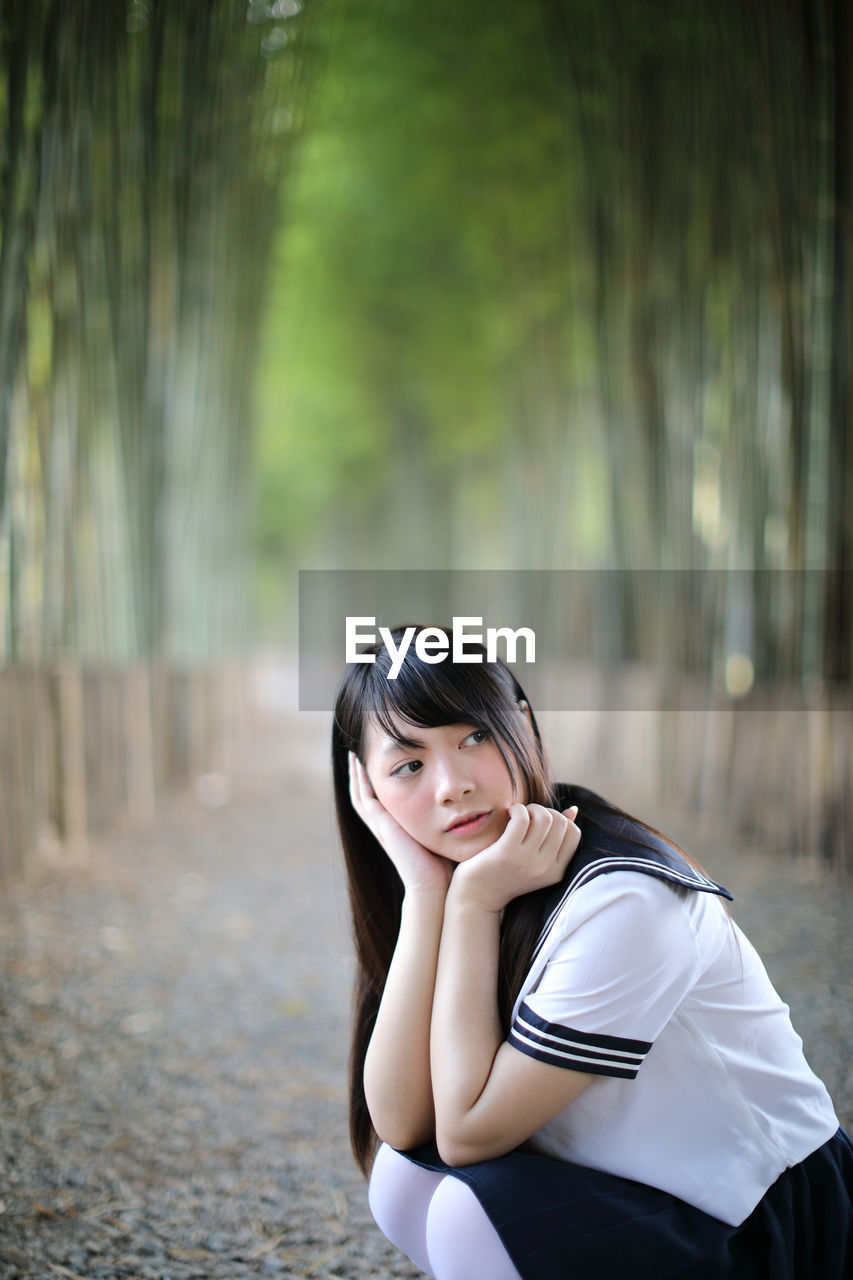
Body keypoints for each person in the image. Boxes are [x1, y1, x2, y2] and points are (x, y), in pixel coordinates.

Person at [331, 625, 852, 1280]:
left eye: (475, 736)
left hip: (764, 1219)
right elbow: (403, 1123)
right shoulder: (475, 874)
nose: (451, 785)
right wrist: (425, 894)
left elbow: (465, 1134)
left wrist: (471, 905)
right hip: (650, 1186)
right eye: (408, 765)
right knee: (402, 1180)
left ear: (522, 723)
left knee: (465, 1213)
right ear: (370, 793)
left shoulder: (625, 901)